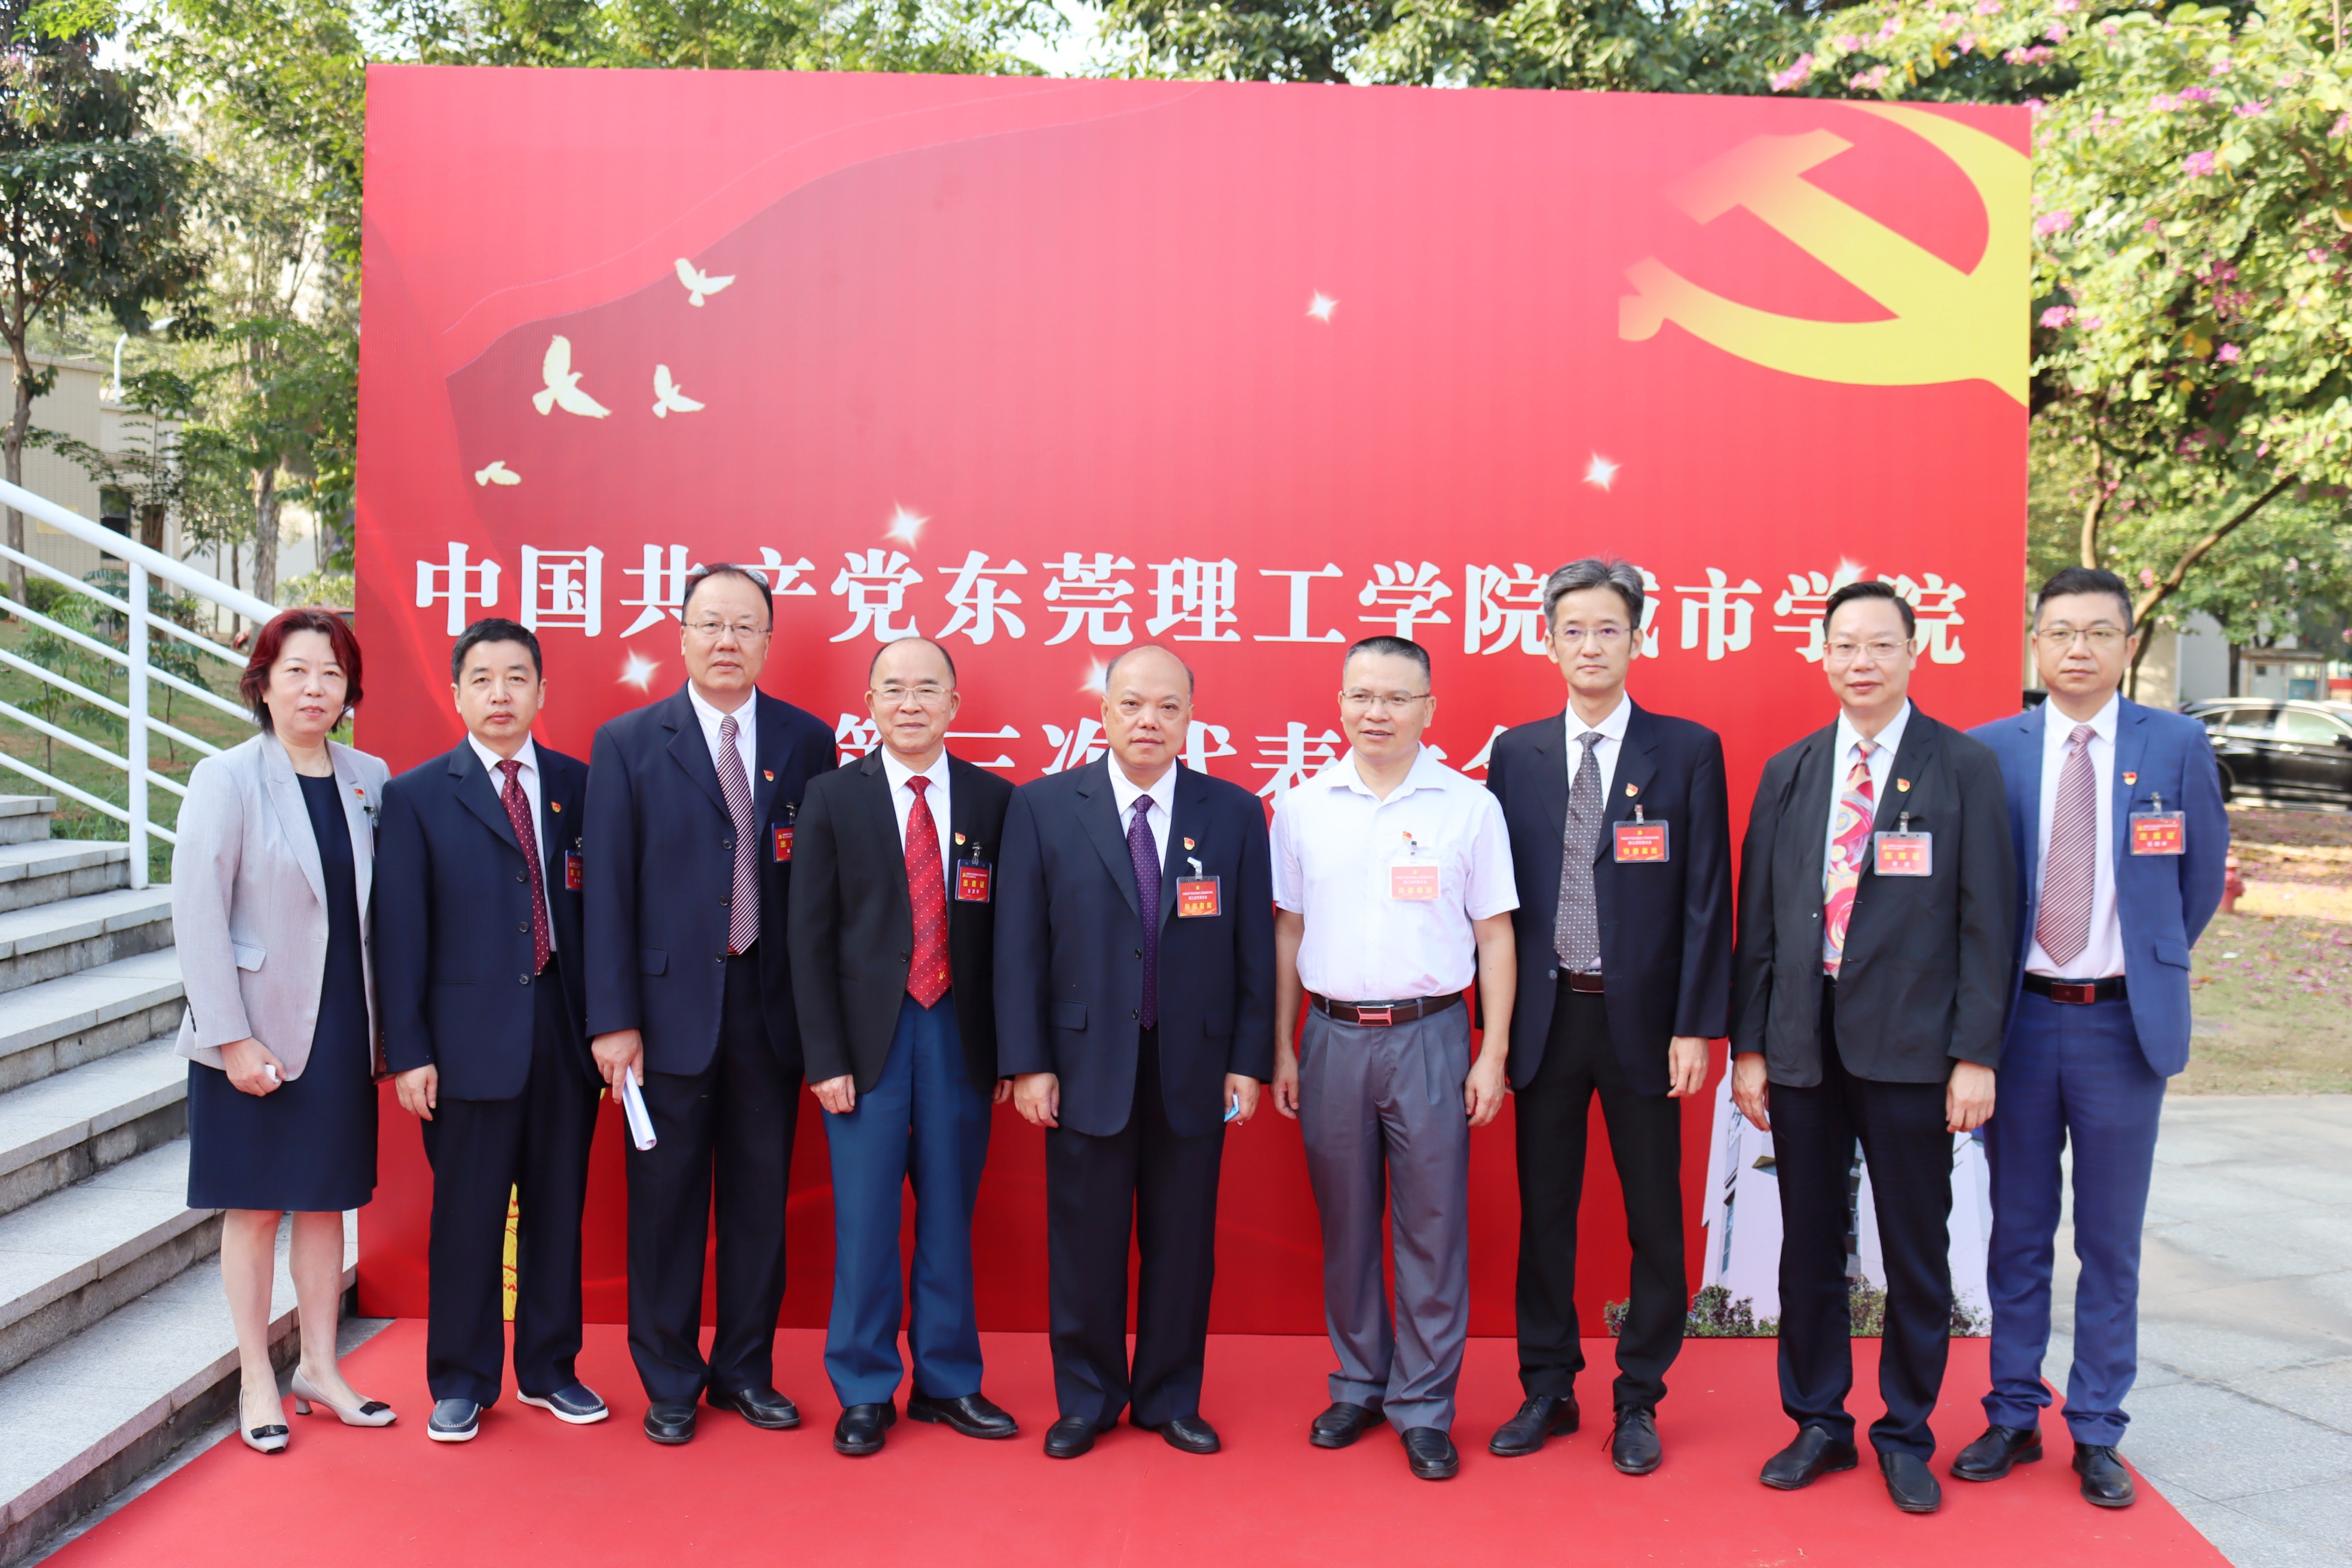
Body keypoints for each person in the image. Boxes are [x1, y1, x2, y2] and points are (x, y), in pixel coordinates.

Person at [1729, 578, 2014, 1515]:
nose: (1862, 662)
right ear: (1822, 655)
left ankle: (1905, 1432)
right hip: (1802, 1046)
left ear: (1913, 654)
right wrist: (1750, 1047)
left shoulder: (1963, 767)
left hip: (1915, 1052)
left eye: (1881, 645)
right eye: (1845, 645)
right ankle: (1818, 1421)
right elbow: (1760, 922)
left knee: (1915, 1249)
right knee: (1808, 1244)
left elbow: (1988, 921)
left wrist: (1976, 1055)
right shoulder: (1793, 770)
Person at [1953, 567, 2227, 1508]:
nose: (2079, 648)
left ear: (2126, 647)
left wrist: (2143, 963)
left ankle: (2100, 1427)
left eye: (2099, 632)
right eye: (2061, 631)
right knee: (2019, 1232)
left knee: (2110, 1242)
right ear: (2035, 644)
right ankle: (2012, 1413)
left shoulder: (2177, 745)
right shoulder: (1992, 750)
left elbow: (2198, 881)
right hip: (2021, 1024)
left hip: (2122, 1026)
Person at [1482, 559, 1733, 1475]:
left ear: (1638, 638)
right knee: (1544, 1214)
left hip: (1646, 1027)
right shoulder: (1516, 754)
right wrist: (1494, 1031)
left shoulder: (1688, 749)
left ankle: (1639, 1396)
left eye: (1609, 630)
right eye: (1574, 630)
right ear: (1549, 642)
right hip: (1547, 1020)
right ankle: (1547, 1386)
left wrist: (1696, 1025)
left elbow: (1707, 897)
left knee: (1654, 1220)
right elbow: (1494, 901)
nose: (1591, 646)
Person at [996, 645, 1275, 1460]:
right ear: (1104, 712)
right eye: (1131, 705)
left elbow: (1254, 948)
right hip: (1082, 1063)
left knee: (1183, 1245)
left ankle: (1170, 1397)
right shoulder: (1044, 806)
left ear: (1190, 718)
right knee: (1084, 1243)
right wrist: (1029, 1062)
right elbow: (1018, 947)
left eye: (1167, 707)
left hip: (1197, 1062)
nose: (1148, 721)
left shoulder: (1233, 812)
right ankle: (1087, 1399)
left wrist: (1248, 1060)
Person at [582, 564, 834, 1446]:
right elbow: (606, 892)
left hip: (770, 1011)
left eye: (745, 626)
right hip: (661, 1018)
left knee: (761, 1203)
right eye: (711, 624)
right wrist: (613, 1021)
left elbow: (818, 887)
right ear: (682, 635)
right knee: (665, 1205)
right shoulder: (627, 742)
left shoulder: (808, 740)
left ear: (768, 641)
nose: (727, 641)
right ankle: (670, 1380)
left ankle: (745, 1372)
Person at [1268, 635, 1516, 1482]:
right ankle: (1358, 1384)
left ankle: (1425, 1405)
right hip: (1331, 1036)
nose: (1377, 713)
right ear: (1340, 703)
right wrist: (1283, 1047)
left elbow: (1495, 935)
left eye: (1397, 698)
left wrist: (1492, 1053)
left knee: (1433, 1228)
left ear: (1429, 709)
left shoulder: (1469, 806)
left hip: (1431, 1035)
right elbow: (1290, 929)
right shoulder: (1303, 806)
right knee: (1346, 1224)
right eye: (1362, 696)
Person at [376, 618, 605, 1443]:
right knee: (467, 1217)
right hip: (464, 1041)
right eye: (482, 679)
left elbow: (604, 913)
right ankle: (461, 1379)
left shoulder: (580, 786)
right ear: (457, 693)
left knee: (557, 1209)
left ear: (542, 691)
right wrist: (410, 1052)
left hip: (565, 1031)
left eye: (517, 678)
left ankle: (550, 1368)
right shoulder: (415, 796)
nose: (500, 694)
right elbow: (399, 934)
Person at [789, 637, 1018, 1457]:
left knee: (950, 1217)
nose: (910, 704)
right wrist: (825, 1059)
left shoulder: (996, 801)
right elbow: (807, 939)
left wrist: (1011, 1053)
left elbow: (1013, 941)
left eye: (927, 689)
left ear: (954, 703)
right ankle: (863, 1388)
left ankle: (948, 1382)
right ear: (870, 705)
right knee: (865, 1221)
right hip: (865, 1045)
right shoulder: (831, 797)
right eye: (893, 689)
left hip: (958, 1036)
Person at [173, 607, 394, 1454]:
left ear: (349, 690)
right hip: (254, 1027)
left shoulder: (369, 777)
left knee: (327, 1201)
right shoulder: (225, 777)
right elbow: (197, 915)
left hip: (342, 1022)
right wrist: (229, 1038)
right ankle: (257, 1378)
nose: (315, 688)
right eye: (297, 670)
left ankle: (320, 1369)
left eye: (332, 674)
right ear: (262, 683)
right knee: (257, 1205)